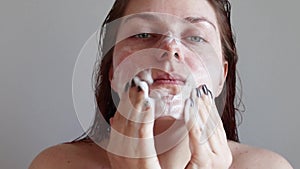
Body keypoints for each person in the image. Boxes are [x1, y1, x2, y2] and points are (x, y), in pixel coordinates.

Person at [29, 0, 293, 168]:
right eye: (143, 34)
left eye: (196, 37)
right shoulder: (57, 164)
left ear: (222, 75)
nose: (170, 49)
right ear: (112, 71)